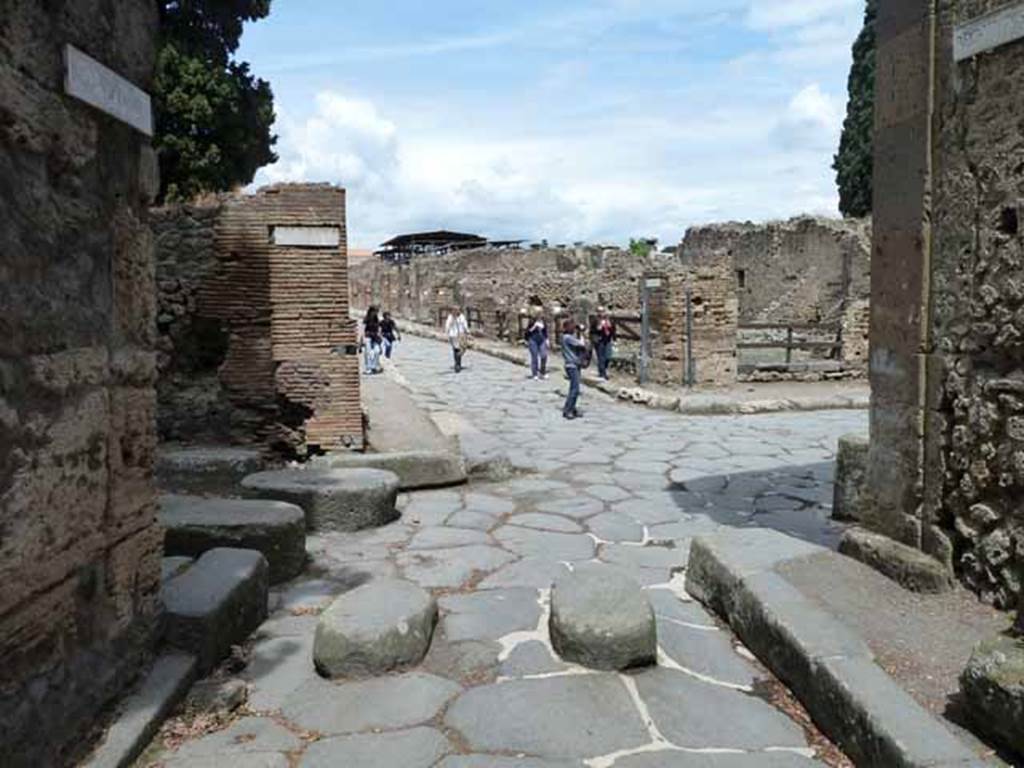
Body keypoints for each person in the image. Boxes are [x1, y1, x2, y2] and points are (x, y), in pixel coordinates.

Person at [561, 318, 588, 419]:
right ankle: (568, 410)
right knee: (574, 389)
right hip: (571, 365)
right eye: (572, 326)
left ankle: (572, 408)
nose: (574, 328)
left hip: (575, 365)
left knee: (575, 388)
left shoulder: (569, 337)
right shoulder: (567, 337)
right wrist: (581, 333)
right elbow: (582, 344)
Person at [589, 307, 617, 380]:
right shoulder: (595, 320)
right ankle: (603, 373)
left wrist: (614, 339)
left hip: (607, 340)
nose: (601, 313)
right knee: (601, 357)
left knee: (608, 356)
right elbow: (592, 331)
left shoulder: (609, 320)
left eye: (602, 311)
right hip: (599, 340)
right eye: (599, 311)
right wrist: (598, 328)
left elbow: (613, 330)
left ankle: (603, 369)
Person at [444, 306, 470, 373]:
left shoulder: (462, 317)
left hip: (461, 335)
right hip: (453, 335)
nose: (456, 311)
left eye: (457, 310)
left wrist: (467, 331)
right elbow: (448, 325)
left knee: (462, 348)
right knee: (456, 349)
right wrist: (447, 332)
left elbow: (464, 324)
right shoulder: (450, 317)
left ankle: (458, 363)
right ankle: (457, 364)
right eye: (455, 310)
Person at [525, 312, 549, 380]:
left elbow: (545, 331)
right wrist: (534, 327)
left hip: (542, 340)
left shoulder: (543, 322)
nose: (540, 317)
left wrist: (547, 339)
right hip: (533, 340)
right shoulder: (531, 322)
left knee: (544, 355)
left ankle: (542, 372)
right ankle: (534, 373)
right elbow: (527, 332)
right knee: (534, 357)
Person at [362, 306, 383, 374]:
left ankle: (374, 367)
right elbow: (363, 329)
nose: (376, 313)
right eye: (375, 311)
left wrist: (379, 336)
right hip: (368, 337)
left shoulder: (377, 319)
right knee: (368, 353)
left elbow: (379, 329)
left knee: (376, 351)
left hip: (375, 338)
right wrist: (361, 340)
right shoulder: (366, 319)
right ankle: (369, 368)